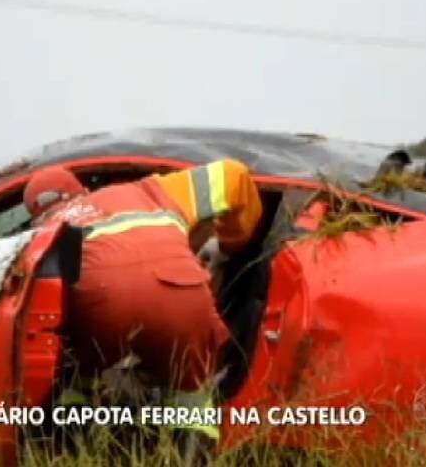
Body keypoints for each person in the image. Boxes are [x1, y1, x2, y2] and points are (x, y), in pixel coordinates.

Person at [23, 158, 264, 452]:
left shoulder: (44, 232)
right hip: (183, 293)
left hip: (101, 305)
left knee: (73, 381)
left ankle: (74, 451)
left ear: (36, 214)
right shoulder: (153, 189)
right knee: (192, 400)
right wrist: (227, 245)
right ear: (83, 190)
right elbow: (234, 175)